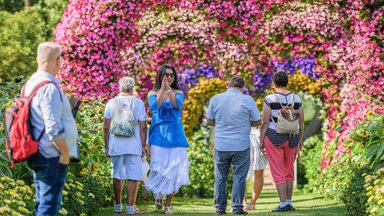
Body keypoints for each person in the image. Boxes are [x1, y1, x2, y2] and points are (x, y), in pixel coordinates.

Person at [25, 42, 78, 215]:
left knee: (42, 204)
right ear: (58, 60)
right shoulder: (49, 87)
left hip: (38, 151)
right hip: (51, 154)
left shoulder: (30, 84)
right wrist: (64, 153)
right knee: (49, 207)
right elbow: (53, 128)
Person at [206, 75, 261, 215]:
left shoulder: (216, 98)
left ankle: (219, 208)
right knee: (239, 177)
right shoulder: (247, 99)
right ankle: (237, 208)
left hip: (221, 145)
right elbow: (257, 121)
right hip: (241, 145)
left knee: (220, 177)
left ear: (228, 85)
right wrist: (243, 123)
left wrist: (223, 124)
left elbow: (210, 121)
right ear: (243, 88)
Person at [146, 64, 190, 215]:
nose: (169, 77)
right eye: (166, 75)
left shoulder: (178, 92)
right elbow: (155, 107)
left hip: (175, 136)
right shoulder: (152, 92)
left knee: (173, 170)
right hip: (158, 135)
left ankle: (168, 205)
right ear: (160, 76)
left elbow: (176, 104)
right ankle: (158, 195)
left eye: (171, 74)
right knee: (159, 168)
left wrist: (168, 89)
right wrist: (162, 90)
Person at [259, 71, 304, 212]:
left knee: (278, 171)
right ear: (287, 82)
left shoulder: (270, 99)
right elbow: (301, 121)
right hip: (293, 136)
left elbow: (265, 122)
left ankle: (283, 204)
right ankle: (289, 202)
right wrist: (300, 139)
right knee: (289, 170)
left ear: (274, 83)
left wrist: (261, 140)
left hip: (274, 137)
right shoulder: (296, 98)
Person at [103, 77, 148, 215]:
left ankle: (118, 206)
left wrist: (107, 145)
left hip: (116, 145)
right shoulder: (138, 103)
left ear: (120, 87)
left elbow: (106, 126)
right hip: (133, 145)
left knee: (117, 174)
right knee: (133, 176)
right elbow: (143, 126)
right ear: (132, 87)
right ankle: (129, 208)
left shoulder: (111, 102)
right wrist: (143, 145)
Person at [242, 127, 268, 211]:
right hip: (244, 136)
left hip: (255, 136)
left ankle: (251, 203)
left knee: (258, 172)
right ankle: (245, 203)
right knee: (241, 173)